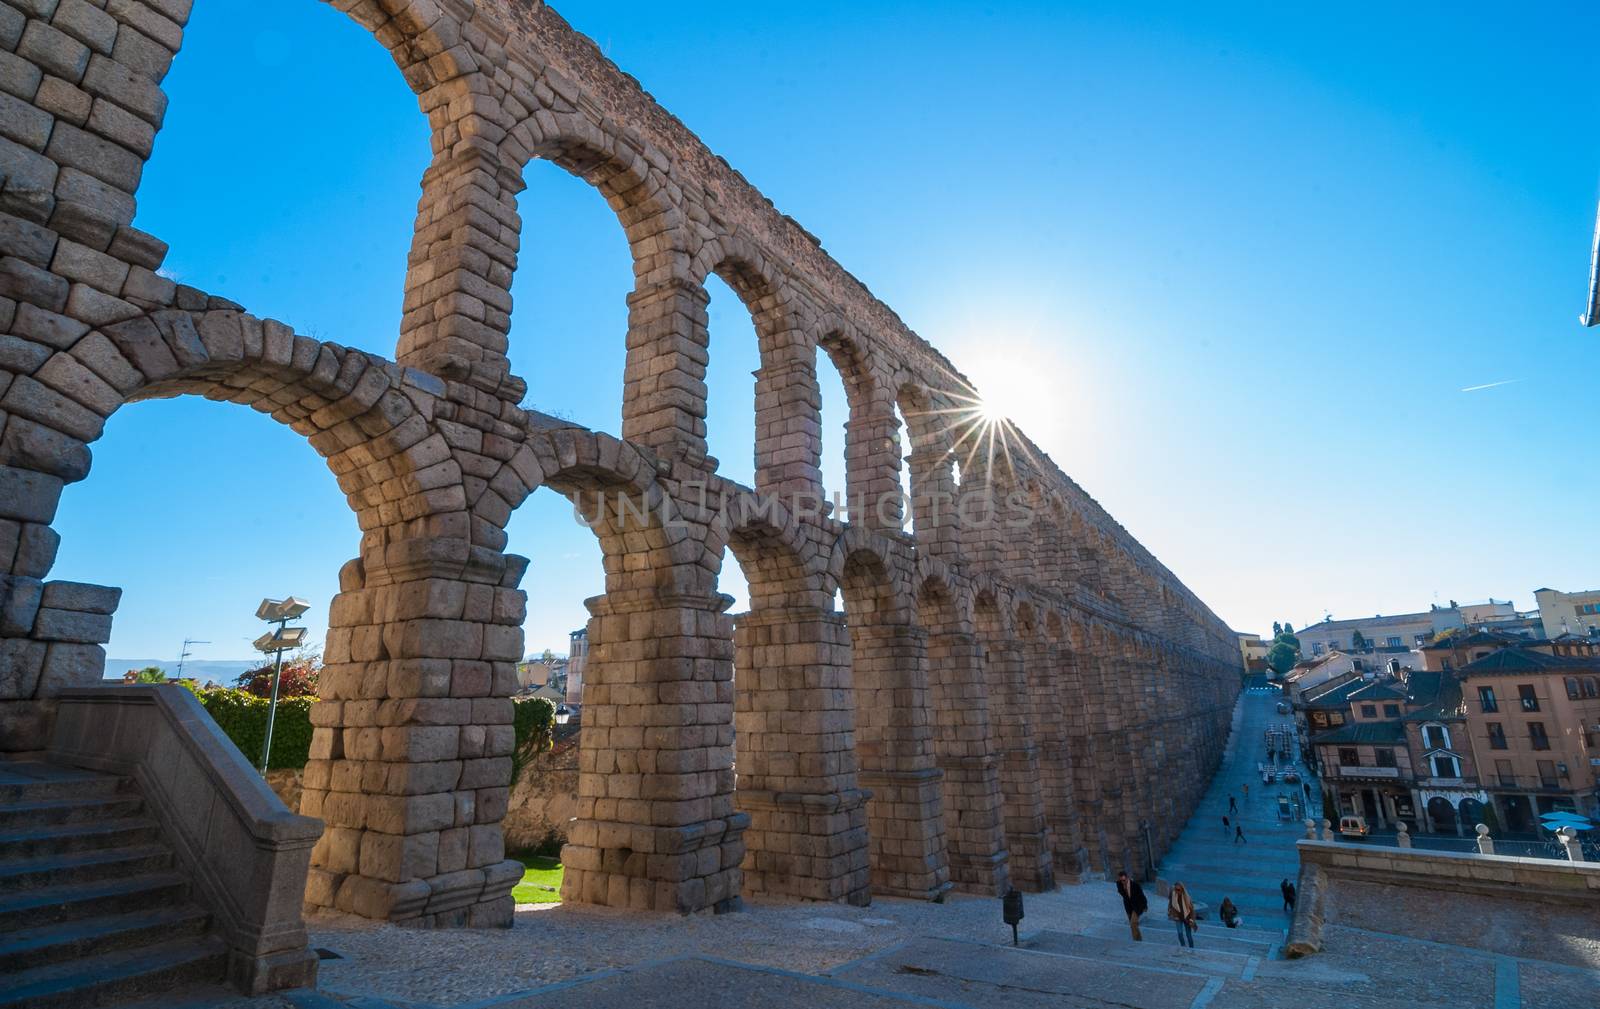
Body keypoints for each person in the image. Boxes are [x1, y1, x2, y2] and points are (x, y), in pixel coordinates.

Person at [1115, 871, 1148, 941]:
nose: (1122, 882)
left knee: (1133, 923)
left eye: (1124, 880)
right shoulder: (1120, 885)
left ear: (1127, 878)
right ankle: (1139, 939)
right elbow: (1121, 893)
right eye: (1121, 881)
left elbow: (1142, 896)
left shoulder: (1135, 885)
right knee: (1133, 925)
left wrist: (1145, 906)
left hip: (1137, 906)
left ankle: (1136, 940)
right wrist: (1118, 882)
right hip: (1128, 908)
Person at [1168, 881, 1197, 948]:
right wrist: (1170, 912)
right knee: (1180, 933)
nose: (1177, 891)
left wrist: (1192, 920)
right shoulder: (1173, 895)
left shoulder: (1187, 897)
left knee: (1188, 935)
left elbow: (1192, 910)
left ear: (1182, 889)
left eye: (1178, 890)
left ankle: (1191, 948)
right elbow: (1170, 904)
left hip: (1187, 918)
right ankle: (1183, 946)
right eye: (1175, 889)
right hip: (1178, 917)